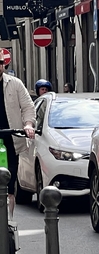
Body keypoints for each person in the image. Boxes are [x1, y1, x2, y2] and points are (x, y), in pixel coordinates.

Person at [0, 51, 36, 220]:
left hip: (10, 140)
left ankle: (8, 222)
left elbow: (28, 107)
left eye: (0, 62)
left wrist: (28, 125)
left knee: (9, 183)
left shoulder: (14, 84)